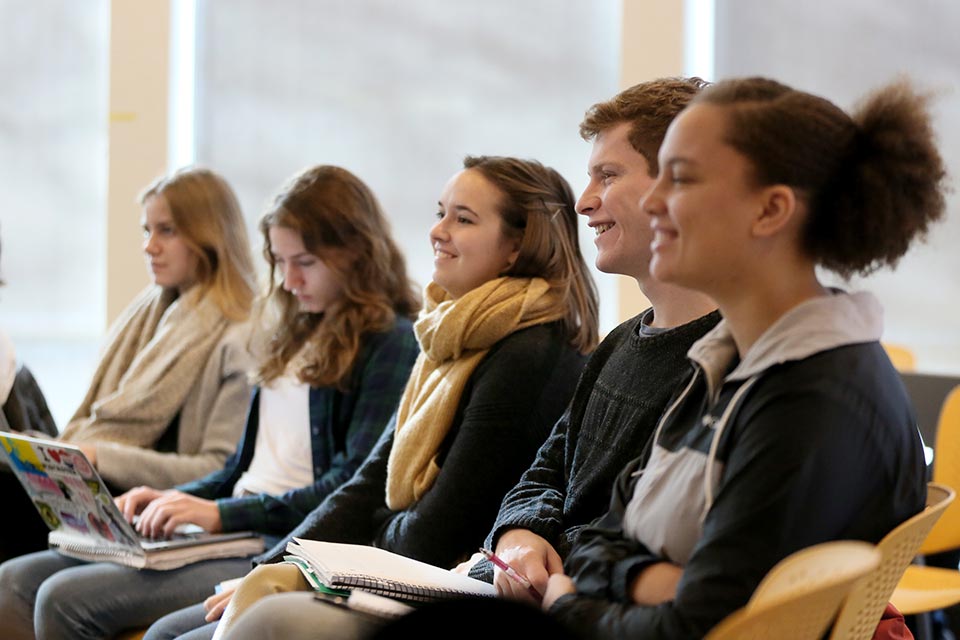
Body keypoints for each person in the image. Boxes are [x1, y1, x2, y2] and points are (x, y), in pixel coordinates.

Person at [540, 77, 944, 638]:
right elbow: (602, 537)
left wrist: (566, 607)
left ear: (770, 210)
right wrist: (652, 579)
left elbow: (698, 628)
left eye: (680, 178)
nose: (653, 202)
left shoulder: (814, 401)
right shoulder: (729, 361)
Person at [162, 154, 601, 640]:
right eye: (441, 212)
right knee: (182, 627)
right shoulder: (448, 336)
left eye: (463, 218)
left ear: (517, 247)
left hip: (435, 585)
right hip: (380, 563)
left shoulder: (529, 354)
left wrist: (337, 552)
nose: (438, 231)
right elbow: (370, 481)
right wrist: (271, 565)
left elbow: (437, 530)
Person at [0, 165, 421, 640]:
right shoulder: (295, 331)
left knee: (75, 602)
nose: (286, 281)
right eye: (279, 263)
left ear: (355, 254)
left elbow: (348, 485)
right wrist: (181, 498)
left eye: (302, 263)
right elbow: (238, 469)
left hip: (283, 536)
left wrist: (219, 513)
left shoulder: (390, 342)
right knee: (14, 579)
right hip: (236, 524)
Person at [465, 77, 721, 597]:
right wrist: (520, 534)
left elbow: (640, 536)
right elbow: (545, 471)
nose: (583, 202)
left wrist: (534, 560)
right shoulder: (622, 341)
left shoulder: (724, 366)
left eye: (607, 175)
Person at [0, 167, 257, 562]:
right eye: (146, 230)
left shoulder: (241, 336)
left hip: (158, 515)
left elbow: (218, 469)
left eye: (166, 231)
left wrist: (100, 455)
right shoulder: (151, 313)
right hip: (112, 496)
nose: (149, 246)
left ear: (209, 237)